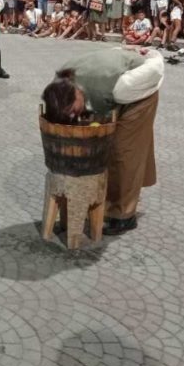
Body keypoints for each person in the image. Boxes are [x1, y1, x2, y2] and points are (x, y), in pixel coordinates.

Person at [42, 46, 164, 235]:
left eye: (74, 111)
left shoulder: (121, 87)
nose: (74, 116)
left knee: (125, 150)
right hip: (111, 79)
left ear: (77, 94)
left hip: (140, 92)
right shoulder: (58, 85)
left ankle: (124, 215)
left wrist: (152, 55)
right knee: (107, 148)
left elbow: (155, 70)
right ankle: (99, 201)